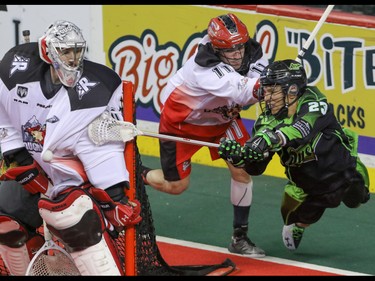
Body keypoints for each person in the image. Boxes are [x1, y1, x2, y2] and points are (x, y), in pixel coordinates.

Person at [0, 20, 141, 275]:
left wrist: (114, 198)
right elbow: (4, 113)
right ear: (48, 52)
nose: (73, 58)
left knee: (74, 219)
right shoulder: (15, 71)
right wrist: (19, 158)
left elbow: (99, 146)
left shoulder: (97, 87)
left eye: (76, 50)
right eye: (65, 51)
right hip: (33, 169)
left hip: (73, 179)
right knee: (5, 219)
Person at [141, 13, 268, 257]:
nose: (238, 54)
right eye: (230, 50)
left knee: (243, 168)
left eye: (240, 46)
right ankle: (139, 173)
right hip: (182, 123)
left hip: (222, 119)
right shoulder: (203, 67)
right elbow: (244, 92)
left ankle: (239, 238)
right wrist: (274, 81)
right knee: (176, 186)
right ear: (217, 49)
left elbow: (261, 75)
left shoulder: (250, 50)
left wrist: (278, 76)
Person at [218, 59, 370, 251]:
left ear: (292, 90)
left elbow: (302, 130)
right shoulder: (265, 123)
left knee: (358, 199)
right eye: (266, 91)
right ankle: (298, 224)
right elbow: (256, 168)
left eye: (273, 91)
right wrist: (240, 158)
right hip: (306, 184)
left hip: (345, 170)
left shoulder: (313, 100)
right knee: (306, 215)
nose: (267, 98)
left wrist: (272, 138)